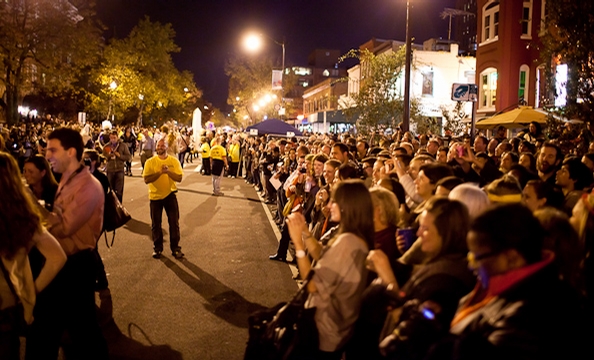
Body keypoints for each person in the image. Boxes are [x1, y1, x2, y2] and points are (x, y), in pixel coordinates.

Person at [427, 204, 587, 360]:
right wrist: (440, 318)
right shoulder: (506, 288)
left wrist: (427, 339)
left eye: (477, 258)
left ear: (511, 258)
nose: (470, 265)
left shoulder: (534, 314)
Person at [27, 127, 109, 359]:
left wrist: (34, 210)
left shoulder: (88, 187)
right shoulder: (68, 179)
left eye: (53, 149)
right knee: (54, 329)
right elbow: (56, 220)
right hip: (63, 263)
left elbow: (64, 228)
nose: (47, 154)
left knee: (82, 330)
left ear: (71, 152)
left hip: (76, 266)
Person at [286, 180, 374, 359]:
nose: (330, 205)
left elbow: (312, 285)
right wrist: (304, 231)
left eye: (335, 201)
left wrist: (298, 246)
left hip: (324, 330)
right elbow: (323, 255)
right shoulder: (355, 236)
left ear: (349, 206)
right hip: (338, 329)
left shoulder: (347, 242)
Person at [0, 152, 67, 360]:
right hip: (8, 304)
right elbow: (58, 257)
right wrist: (31, 290)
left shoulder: (52, 193)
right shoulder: (21, 217)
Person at [142, 139, 184, 259]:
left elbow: (179, 178)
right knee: (156, 224)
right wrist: (160, 173)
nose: (160, 147)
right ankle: (157, 248)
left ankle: (175, 248)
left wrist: (168, 172)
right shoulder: (150, 162)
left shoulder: (173, 161)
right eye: (158, 146)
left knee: (174, 223)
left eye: (162, 145)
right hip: (155, 196)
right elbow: (146, 179)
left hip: (170, 195)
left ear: (167, 147)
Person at [83, 149, 110, 291]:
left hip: (97, 218)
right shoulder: (83, 176)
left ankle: (101, 278)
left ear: (93, 161)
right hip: (86, 218)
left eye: (85, 159)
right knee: (91, 248)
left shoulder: (100, 178)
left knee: (91, 248)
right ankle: (97, 277)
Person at [104, 130, 131, 202]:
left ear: (117, 137)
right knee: (111, 190)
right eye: (111, 138)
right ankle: (112, 207)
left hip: (119, 170)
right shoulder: (106, 146)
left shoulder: (123, 145)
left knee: (119, 191)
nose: (113, 139)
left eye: (114, 138)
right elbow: (104, 157)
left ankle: (119, 206)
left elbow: (128, 157)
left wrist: (119, 155)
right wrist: (109, 156)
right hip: (110, 169)